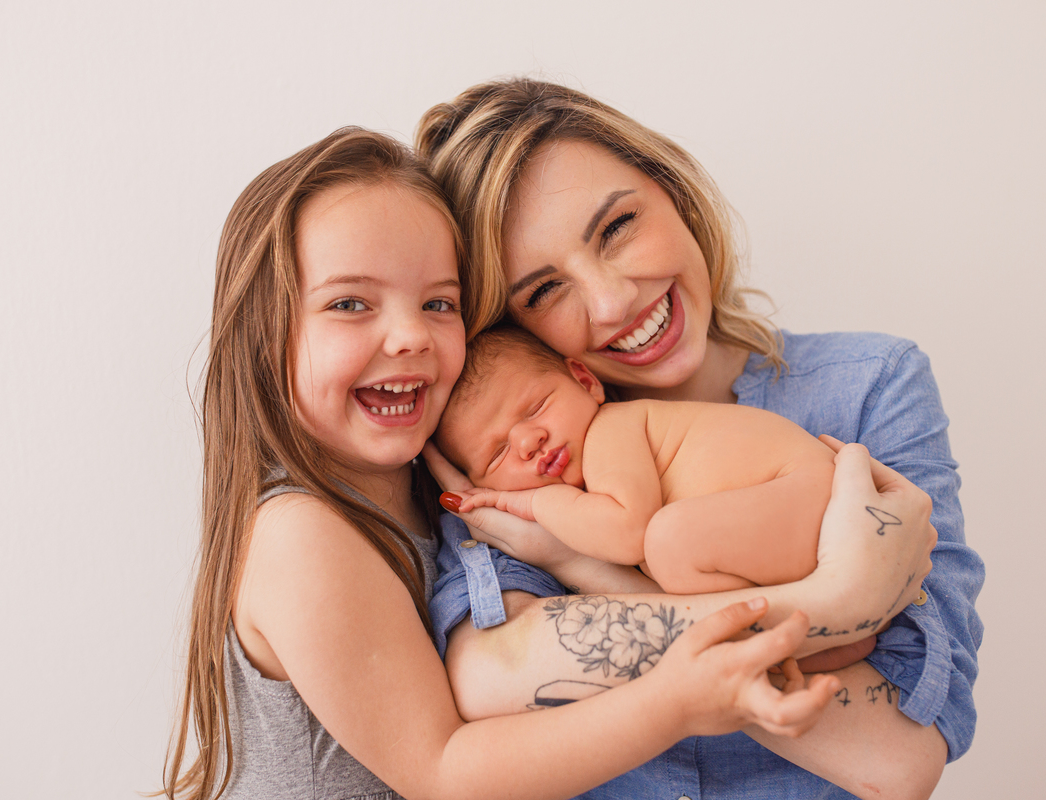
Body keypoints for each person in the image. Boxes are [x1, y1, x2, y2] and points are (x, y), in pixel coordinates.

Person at [161, 127, 872, 800]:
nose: (410, 335)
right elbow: (442, 772)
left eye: (439, 302)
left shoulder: (430, 487)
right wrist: (675, 703)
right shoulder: (301, 536)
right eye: (350, 303)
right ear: (262, 339)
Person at [415, 78, 984, 799]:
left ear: (672, 189)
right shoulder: (514, 456)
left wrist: (586, 570)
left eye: (616, 227)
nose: (613, 299)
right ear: (510, 327)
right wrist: (841, 596)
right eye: (544, 290)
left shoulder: (871, 385)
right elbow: (488, 677)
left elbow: (898, 762)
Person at [436, 324, 836, 594]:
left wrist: (533, 502)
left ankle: (806, 626)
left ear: (586, 381)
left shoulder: (610, 430)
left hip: (804, 493)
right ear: (480, 486)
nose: (528, 441)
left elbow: (627, 535)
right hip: (794, 514)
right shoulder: (593, 498)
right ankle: (811, 639)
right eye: (498, 453)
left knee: (668, 542)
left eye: (536, 407)